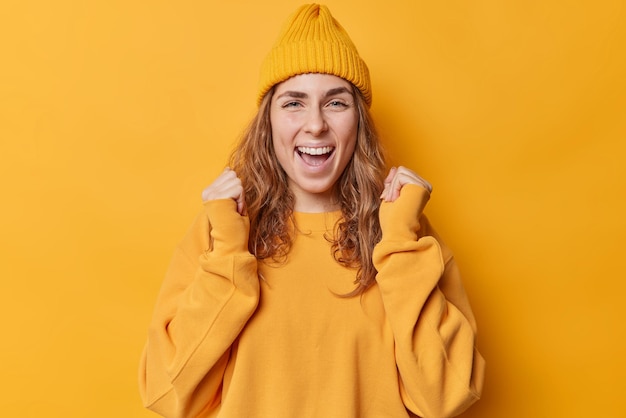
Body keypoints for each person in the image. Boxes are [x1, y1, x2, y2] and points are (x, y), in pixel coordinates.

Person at [139, 3, 485, 417]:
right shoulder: (222, 231)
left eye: (336, 103)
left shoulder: (403, 233)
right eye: (293, 103)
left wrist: (398, 239)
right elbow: (166, 392)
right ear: (267, 121)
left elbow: (444, 398)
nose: (316, 124)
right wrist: (229, 255)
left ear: (359, 120)